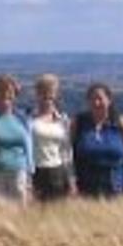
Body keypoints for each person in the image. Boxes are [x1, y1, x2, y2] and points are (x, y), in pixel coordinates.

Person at [71, 82, 123, 198]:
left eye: (100, 99)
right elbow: (67, 152)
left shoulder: (120, 123)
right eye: (92, 99)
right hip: (85, 188)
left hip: (116, 187)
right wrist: (71, 179)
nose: (96, 103)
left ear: (109, 100)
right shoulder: (79, 123)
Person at [29, 73, 74, 202]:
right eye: (43, 92)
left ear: (56, 95)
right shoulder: (29, 119)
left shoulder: (63, 120)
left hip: (58, 172)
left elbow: (67, 151)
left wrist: (71, 178)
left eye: (51, 93)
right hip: (36, 171)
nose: (47, 97)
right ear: (37, 94)